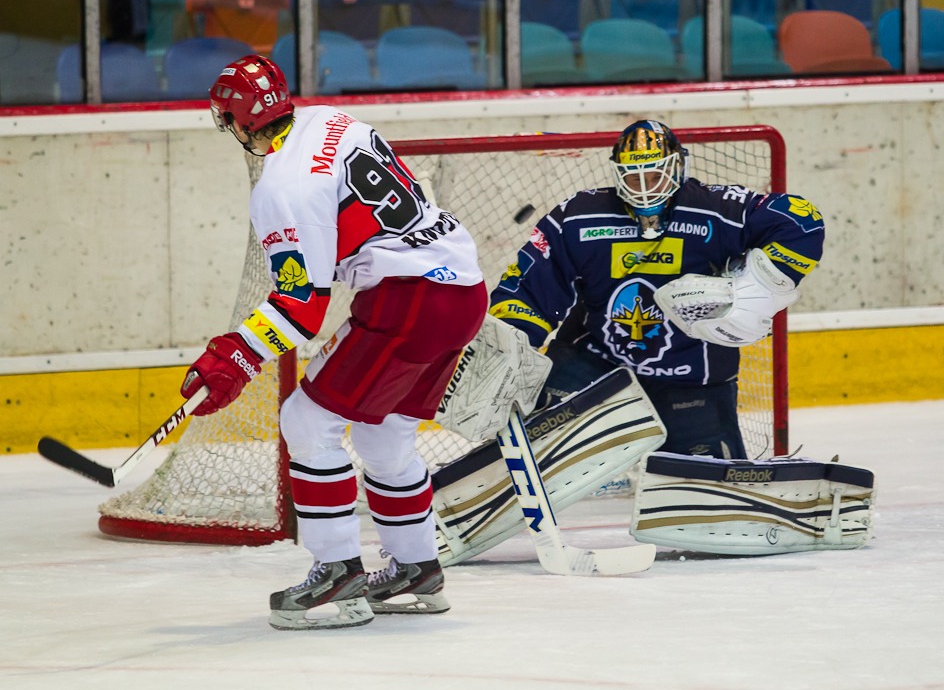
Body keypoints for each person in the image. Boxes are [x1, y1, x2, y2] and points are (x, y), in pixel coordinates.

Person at [179, 55, 487, 630]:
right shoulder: (329, 119)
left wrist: (236, 355)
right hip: (463, 290)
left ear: (239, 121)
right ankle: (417, 569)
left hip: (409, 299)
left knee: (306, 420)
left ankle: (338, 572)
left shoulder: (281, 188)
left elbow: (301, 308)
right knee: (383, 435)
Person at [488, 118, 825, 460]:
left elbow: (802, 222)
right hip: (597, 365)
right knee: (544, 452)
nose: (645, 188)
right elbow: (527, 288)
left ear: (677, 167)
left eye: (655, 175)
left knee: (704, 479)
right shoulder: (579, 217)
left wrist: (752, 290)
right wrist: (509, 351)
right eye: (634, 177)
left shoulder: (715, 211)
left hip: (693, 377)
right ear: (618, 174)